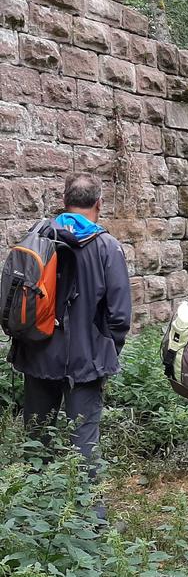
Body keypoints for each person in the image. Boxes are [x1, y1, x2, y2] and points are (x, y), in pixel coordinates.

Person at [11, 172, 132, 518]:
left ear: (64, 200)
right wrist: (107, 352)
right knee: (84, 441)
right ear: (99, 204)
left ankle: (33, 513)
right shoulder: (107, 246)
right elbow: (120, 314)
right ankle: (91, 519)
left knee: (37, 436)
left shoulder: (37, 235)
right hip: (86, 361)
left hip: (37, 352)